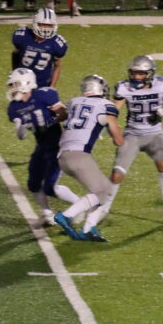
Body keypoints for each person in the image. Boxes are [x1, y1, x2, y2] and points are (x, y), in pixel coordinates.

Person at [95, 55, 163, 223]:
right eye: (134, 73)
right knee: (117, 174)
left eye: (141, 74)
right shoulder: (124, 88)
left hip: (155, 134)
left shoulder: (162, 85)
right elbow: (113, 111)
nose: (136, 77)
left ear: (150, 74)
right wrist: (106, 125)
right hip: (133, 134)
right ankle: (103, 209)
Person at [6, 67, 81, 227]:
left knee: (50, 187)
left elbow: (64, 114)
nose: (13, 88)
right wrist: (21, 128)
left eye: (15, 84)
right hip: (41, 147)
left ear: (26, 83)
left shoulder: (44, 95)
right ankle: (47, 215)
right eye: (12, 85)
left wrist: (52, 118)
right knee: (33, 184)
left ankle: (80, 205)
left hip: (57, 146)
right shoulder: (14, 108)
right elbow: (21, 136)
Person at [52, 75, 123, 242]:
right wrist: (120, 137)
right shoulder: (106, 105)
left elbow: (63, 116)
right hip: (79, 155)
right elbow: (117, 138)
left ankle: (89, 228)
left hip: (62, 157)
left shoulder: (74, 102)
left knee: (102, 191)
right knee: (104, 191)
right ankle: (66, 216)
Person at [11, 8, 68, 89]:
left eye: (49, 25)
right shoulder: (23, 36)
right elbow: (15, 54)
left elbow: (57, 66)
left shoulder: (56, 44)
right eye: (43, 24)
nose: (46, 28)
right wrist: (14, 73)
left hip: (43, 85)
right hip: (22, 82)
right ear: (35, 23)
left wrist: (52, 87)